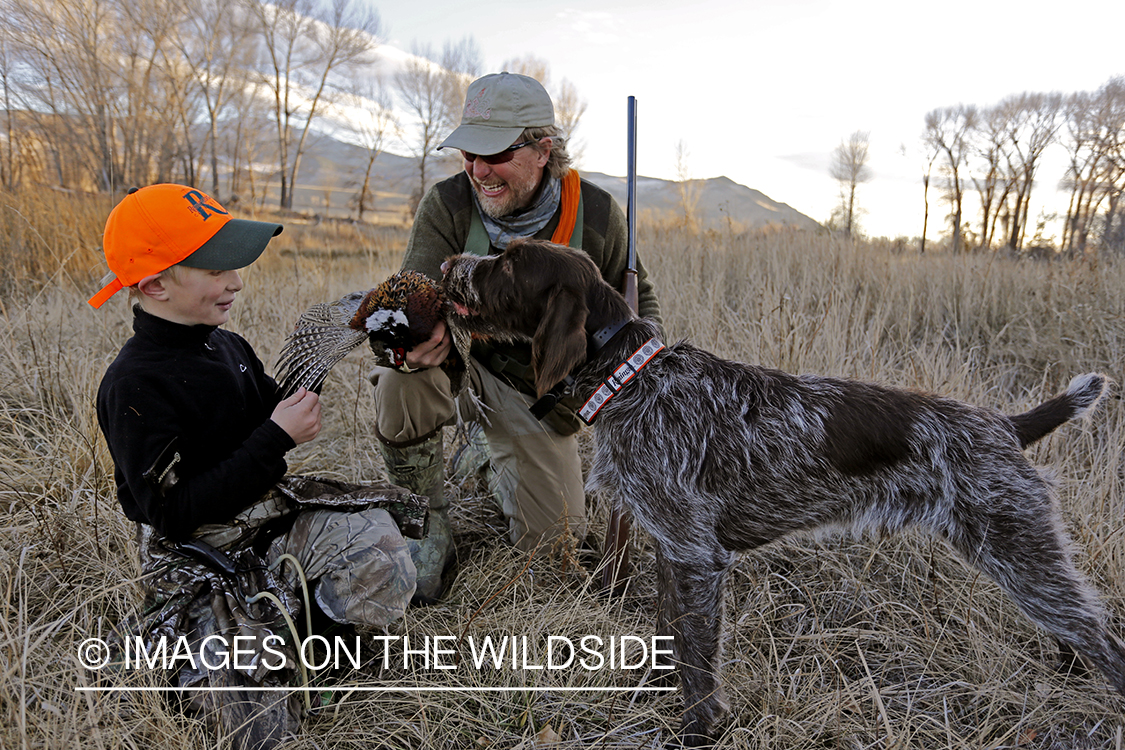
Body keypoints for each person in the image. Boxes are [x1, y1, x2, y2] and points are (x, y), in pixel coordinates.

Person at [91, 184, 422, 749]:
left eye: (236, 267)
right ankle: (211, 641)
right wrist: (275, 438)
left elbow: (273, 405)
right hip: (198, 550)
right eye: (217, 269)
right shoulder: (134, 385)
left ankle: (313, 650)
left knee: (387, 556)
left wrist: (339, 339)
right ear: (154, 284)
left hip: (269, 518)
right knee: (253, 728)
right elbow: (174, 513)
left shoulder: (227, 346)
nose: (237, 282)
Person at [370, 72, 661, 600]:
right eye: (468, 154)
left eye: (496, 154)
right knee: (400, 377)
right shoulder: (447, 204)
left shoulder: (595, 215)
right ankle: (423, 522)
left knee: (556, 554)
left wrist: (633, 383)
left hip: (535, 392)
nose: (479, 170)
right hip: (457, 362)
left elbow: (643, 310)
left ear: (542, 149)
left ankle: (487, 452)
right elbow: (409, 295)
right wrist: (416, 338)